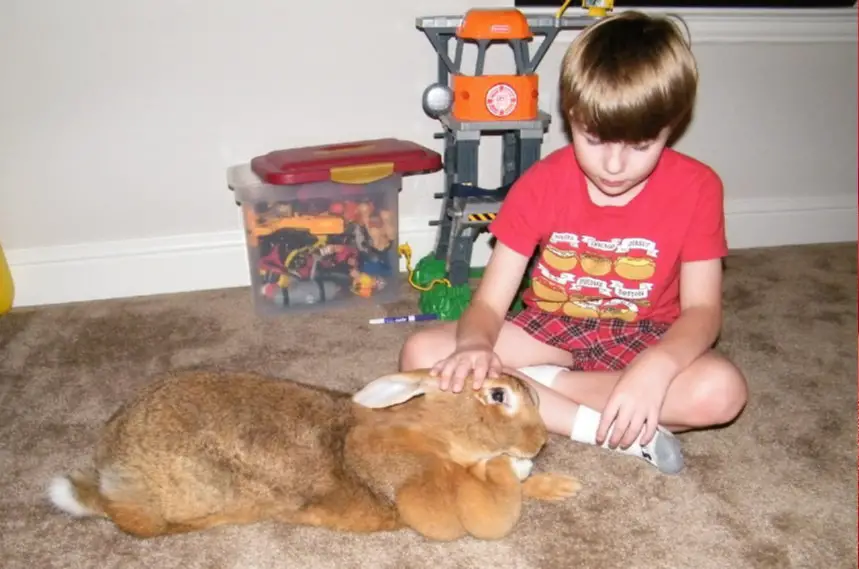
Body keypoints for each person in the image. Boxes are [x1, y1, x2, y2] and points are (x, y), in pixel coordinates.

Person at [398, 10, 748, 475]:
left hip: (645, 335)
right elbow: (488, 304)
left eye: (640, 145)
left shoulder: (700, 188)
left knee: (721, 392)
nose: (615, 165)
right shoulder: (540, 184)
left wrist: (657, 367)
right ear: (572, 114)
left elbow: (703, 311)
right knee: (422, 355)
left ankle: (532, 390)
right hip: (550, 327)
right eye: (596, 138)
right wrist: (475, 345)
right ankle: (599, 425)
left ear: (672, 126)